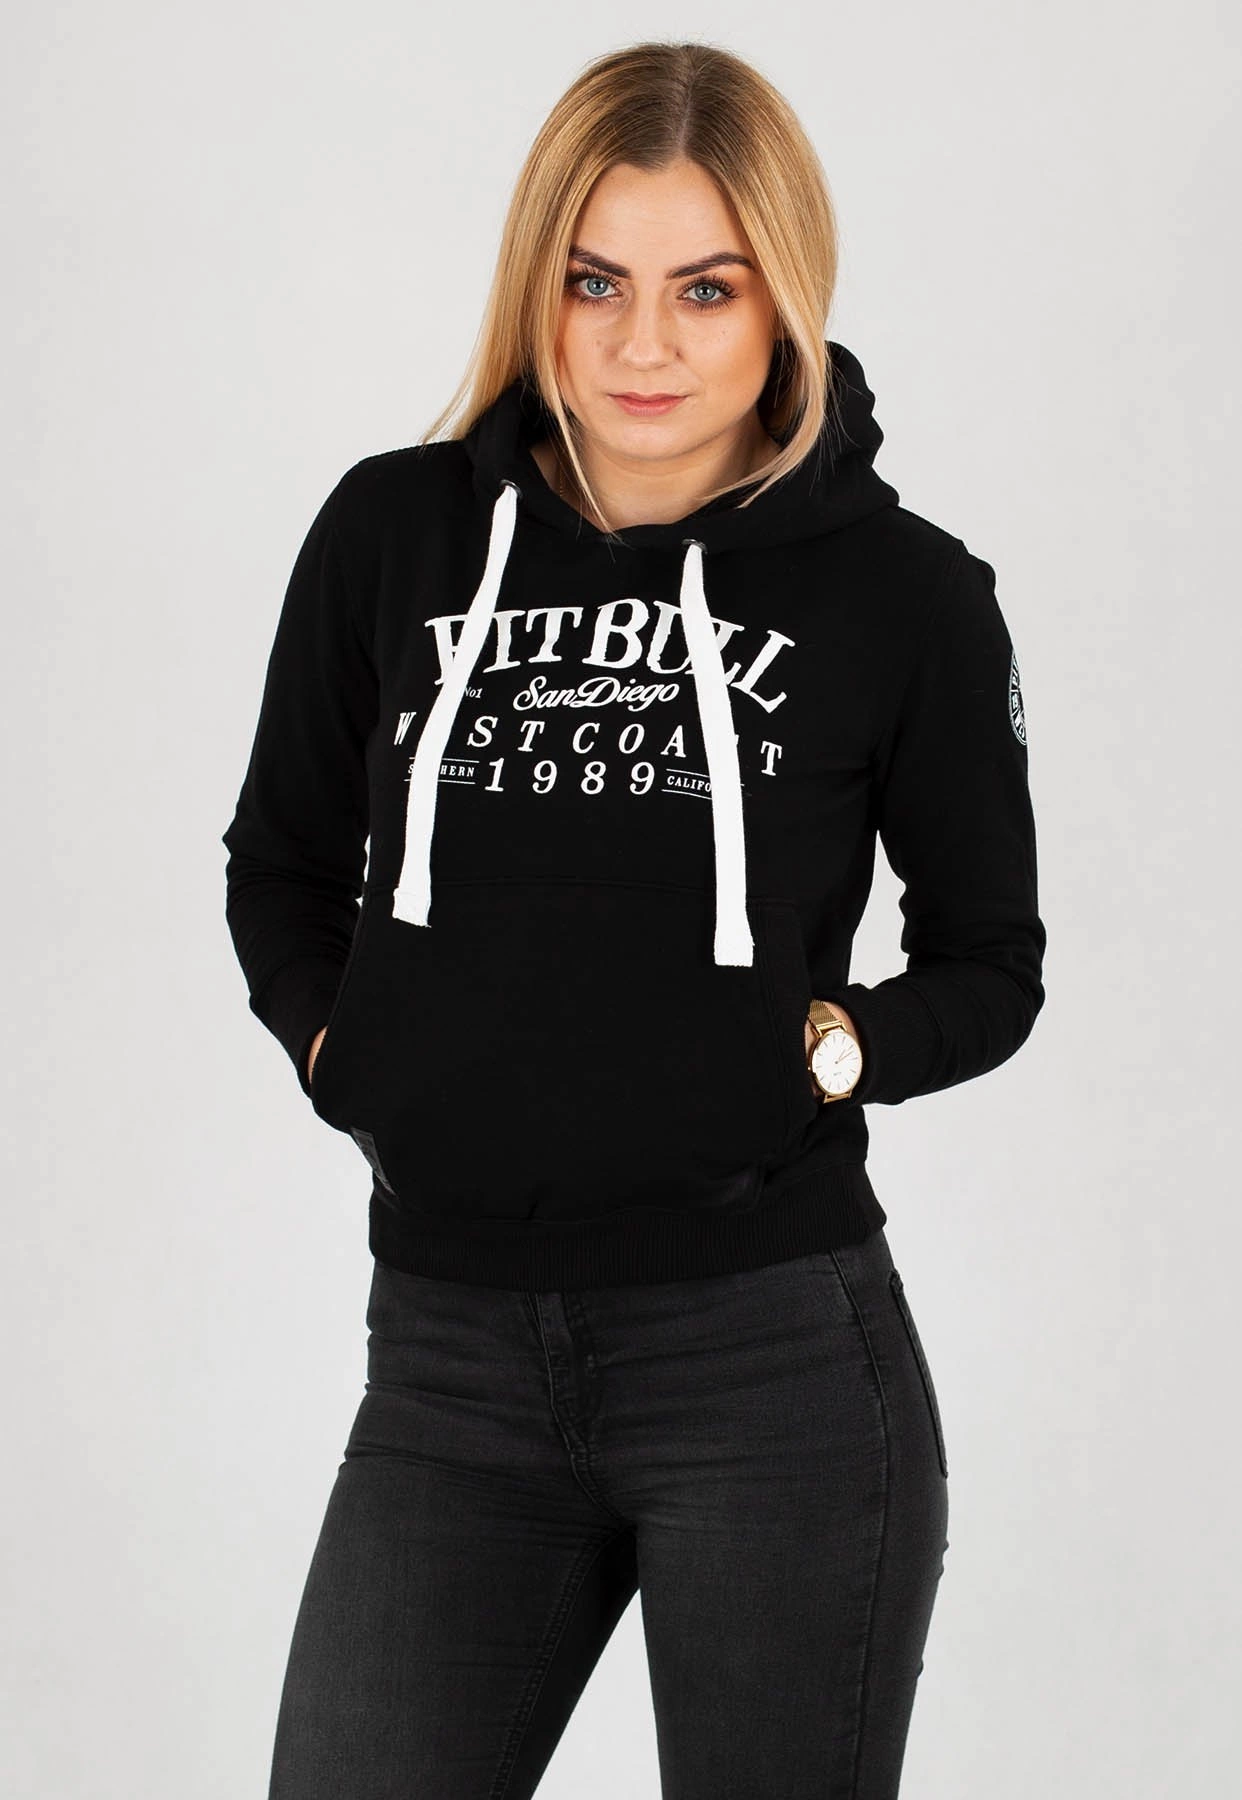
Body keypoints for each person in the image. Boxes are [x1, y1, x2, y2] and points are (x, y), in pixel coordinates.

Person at [221, 39, 1045, 1800]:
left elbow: (991, 960)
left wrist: (833, 1049)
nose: (640, 345)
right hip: (445, 1367)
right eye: (593, 282)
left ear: (784, 301)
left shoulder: (905, 596)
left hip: (769, 1367)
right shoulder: (393, 534)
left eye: (704, 288)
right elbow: (277, 858)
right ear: (537, 286)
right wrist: (341, 1048)